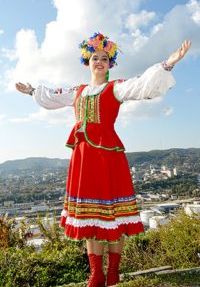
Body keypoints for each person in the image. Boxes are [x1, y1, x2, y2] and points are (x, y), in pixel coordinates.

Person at [16, 33, 191, 287]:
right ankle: (96, 273)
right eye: (95, 57)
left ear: (111, 64)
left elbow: (142, 85)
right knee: (90, 219)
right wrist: (32, 90)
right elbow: (53, 96)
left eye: (105, 58)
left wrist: (168, 63)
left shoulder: (115, 87)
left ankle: (114, 271)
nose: (99, 62)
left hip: (108, 158)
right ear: (87, 62)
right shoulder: (77, 92)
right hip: (84, 160)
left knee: (114, 216)